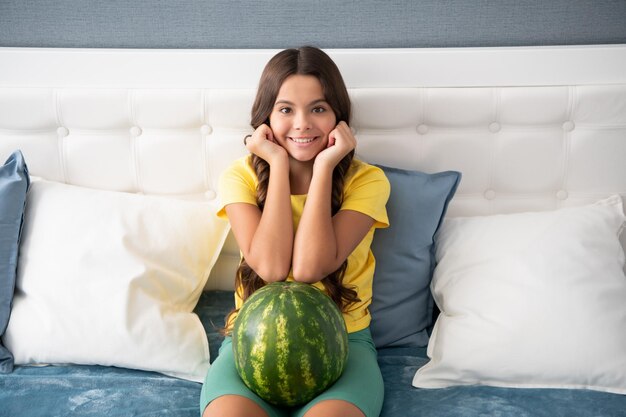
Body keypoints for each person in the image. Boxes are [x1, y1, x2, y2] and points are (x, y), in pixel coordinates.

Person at [201, 46, 390, 417]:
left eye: (318, 108)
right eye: (286, 109)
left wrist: (323, 170)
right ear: (266, 117)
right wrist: (276, 165)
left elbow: (307, 269)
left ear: (339, 117)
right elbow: (271, 269)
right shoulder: (240, 176)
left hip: (344, 343)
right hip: (251, 341)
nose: (302, 123)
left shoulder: (368, 181)